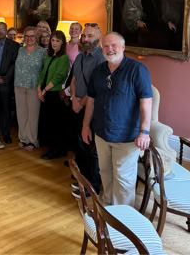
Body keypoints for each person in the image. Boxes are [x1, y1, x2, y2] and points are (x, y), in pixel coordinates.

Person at [82, 32, 152, 207]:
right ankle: (107, 208)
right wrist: (85, 125)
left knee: (123, 178)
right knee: (105, 173)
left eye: (114, 45)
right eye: (106, 46)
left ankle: (122, 217)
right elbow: (91, 100)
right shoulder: (99, 71)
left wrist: (144, 132)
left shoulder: (137, 69)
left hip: (126, 136)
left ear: (123, 47)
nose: (110, 49)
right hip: (101, 133)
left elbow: (146, 102)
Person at [70, 23, 104, 195]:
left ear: (98, 38)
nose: (85, 39)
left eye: (90, 36)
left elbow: (96, 87)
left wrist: (81, 103)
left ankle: (93, 186)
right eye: (84, 36)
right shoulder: (80, 57)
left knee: (91, 148)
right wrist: (73, 98)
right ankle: (82, 179)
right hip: (77, 104)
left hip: (91, 107)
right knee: (79, 145)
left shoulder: (101, 58)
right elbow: (74, 79)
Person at [37, 30, 70, 160]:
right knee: (48, 122)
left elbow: (58, 77)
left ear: (62, 43)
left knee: (55, 124)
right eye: (53, 40)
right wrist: (39, 88)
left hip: (55, 94)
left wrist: (44, 90)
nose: (54, 43)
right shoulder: (49, 56)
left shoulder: (64, 58)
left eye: (58, 41)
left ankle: (56, 150)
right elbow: (42, 73)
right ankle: (51, 148)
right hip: (46, 93)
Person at [14, 26, 46, 151]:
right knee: (21, 114)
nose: (29, 38)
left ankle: (32, 140)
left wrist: (41, 87)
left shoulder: (42, 52)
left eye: (32, 36)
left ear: (36, 37)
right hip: (19, 85)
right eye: (27, 36)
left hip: (34, 86)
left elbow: (44, 71)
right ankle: (23, 138)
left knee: (33, 114)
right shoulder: (20, 50)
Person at [0, 21, 19, 143]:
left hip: (6, 83)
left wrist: (5, 78)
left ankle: (6, 134)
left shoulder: (14, 46)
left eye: (3, 29)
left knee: (6, 109)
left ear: (6, 31)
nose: (1, 31)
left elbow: (14, 64)